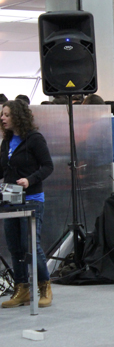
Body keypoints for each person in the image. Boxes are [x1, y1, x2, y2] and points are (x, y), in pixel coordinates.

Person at [0, 100, 54, 308]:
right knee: (15, 246)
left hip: (31, 199)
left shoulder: (34, 139)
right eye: (2, 114)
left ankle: (44, 286)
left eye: (6, 114)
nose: (2, 118)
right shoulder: (6, 142)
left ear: (18, 116)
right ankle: (22, 288)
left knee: (30, 245)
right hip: (10, 200)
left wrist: (30, 180)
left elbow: (48, 166)